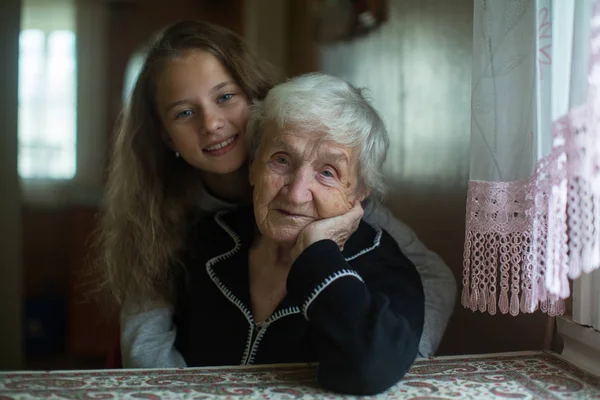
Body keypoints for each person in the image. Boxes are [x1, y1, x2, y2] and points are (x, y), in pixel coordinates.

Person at [94, 20, 455, 369]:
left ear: (255, 98)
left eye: (225, 97)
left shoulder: (320, 187)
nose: (211, 123)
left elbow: (432, 272)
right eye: (185, 112)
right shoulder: (163, 207)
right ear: (165, 136)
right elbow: (146, 333)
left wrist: (404, 355)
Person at [174, 72, 424, 395]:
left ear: (359, 191)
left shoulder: (382, 266)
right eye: (281, 160)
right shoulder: (204, 242)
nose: (295, 194)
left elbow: (369, 370)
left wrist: (318, 257)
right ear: (253, 167)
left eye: (327, 172)